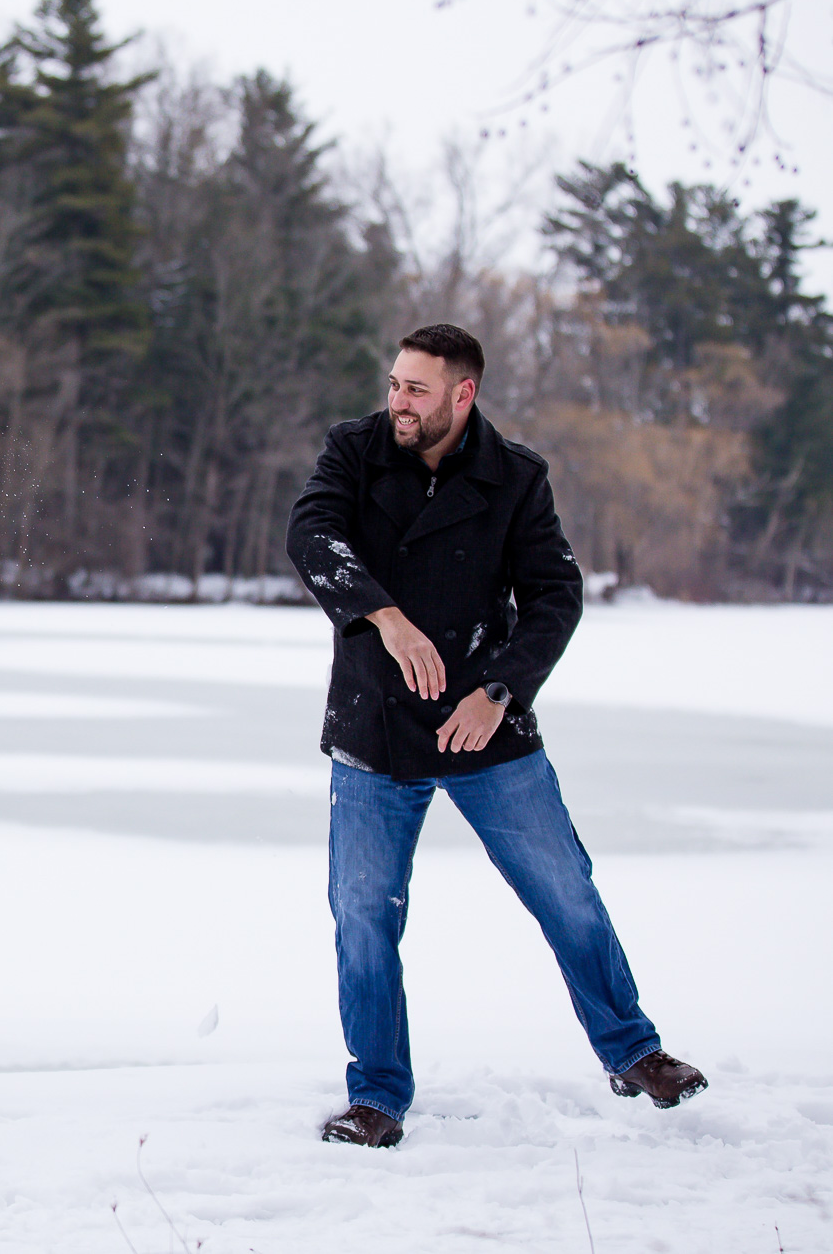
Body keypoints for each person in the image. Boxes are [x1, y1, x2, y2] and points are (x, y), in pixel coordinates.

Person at [284, 323, 706, 1149]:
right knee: (363, 914)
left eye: (415, 389)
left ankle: (634, 1052)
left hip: (487, 729)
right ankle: (377, 1098)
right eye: (395, 383)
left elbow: (555, 596)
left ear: (461, 394)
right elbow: (312, 537)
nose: (397, 401)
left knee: (567, 894)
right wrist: (388, 619)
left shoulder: (515, 477)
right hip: (375, 727)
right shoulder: (354, 450)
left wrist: (497, 690)